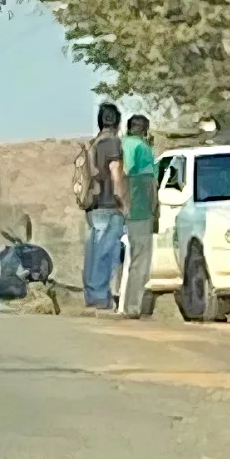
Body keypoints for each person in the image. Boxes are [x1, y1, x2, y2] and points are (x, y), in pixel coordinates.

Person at [83, 102, 128, 312]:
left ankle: (93, 295)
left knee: (95, 251)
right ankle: (101, 297)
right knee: (106, 253)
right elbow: (115, 171)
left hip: (94, 205)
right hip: (110, 205)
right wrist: (122, 201)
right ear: (117, 122)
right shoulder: (112, 143)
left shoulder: (94, 143)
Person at [120, 114, 158, 319]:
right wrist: (154, 210)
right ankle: (132, 306)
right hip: (139, 211)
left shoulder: (120, 144)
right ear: (145, 129)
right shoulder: (142, 149)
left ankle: (116, 302)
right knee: (140, 260)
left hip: (116, 210)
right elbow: (148, 184)